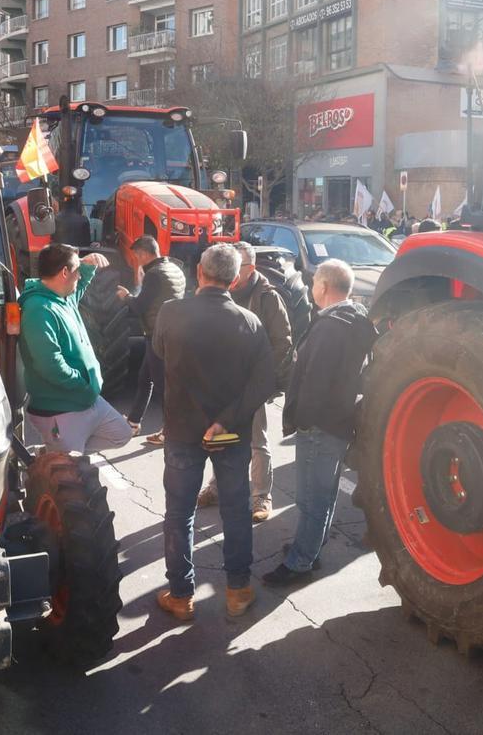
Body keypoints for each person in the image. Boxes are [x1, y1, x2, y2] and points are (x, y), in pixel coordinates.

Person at [152, 244, 275, 621]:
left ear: (200, 274)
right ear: (235, 280)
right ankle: (237, 590)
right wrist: (226, 418)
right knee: (236, 511)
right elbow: (264, 382)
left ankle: (180, 594)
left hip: (183, 430)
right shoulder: (249, 322)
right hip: (230, 433)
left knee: (179, 513)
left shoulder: (171, 313)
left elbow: (159, 353)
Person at [263, 259, 376, 586]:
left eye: (314, 283)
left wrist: (302, 419)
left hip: (320, 425)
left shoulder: (330, 326)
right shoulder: (355, 318)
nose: (311, 288)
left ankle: (300, 562)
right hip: (338, 422)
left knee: (312, 498)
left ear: (324, 287)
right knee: (323, 496)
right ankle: (310, 547)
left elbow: (315, 380)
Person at [197, 242, 295, 523]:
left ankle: (261, 496)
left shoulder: (267, 297)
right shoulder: (224, 291)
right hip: (223, 384)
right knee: (221, 436)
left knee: (256, 441)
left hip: (252, 385)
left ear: (248, 269)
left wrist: (263, 381)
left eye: (235, 267)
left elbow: (282, 342)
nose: (228, 273)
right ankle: (215, 488)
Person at [18, 243, 133, 454]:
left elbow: (78, 288)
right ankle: (53, 454)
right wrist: (82, 385)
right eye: (77, 271)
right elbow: (50, 364)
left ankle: (52, 452)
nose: (79, 276)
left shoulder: (62, 298)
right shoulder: (39, 309)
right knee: (65, 474)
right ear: (64, 272)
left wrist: (86, 266)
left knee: (121, 434)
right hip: (63, 407)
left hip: (85, 399)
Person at [116, 235, 185, 441]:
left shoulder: (154, 274)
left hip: (157, 335)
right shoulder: (174, 269)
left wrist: (126, 296)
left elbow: (139, 307)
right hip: (169, 331)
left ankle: (170, 431)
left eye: (137, 256)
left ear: (144, 253)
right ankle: (134, 422)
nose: (137, 260)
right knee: (145, 379)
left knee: (162, 385)